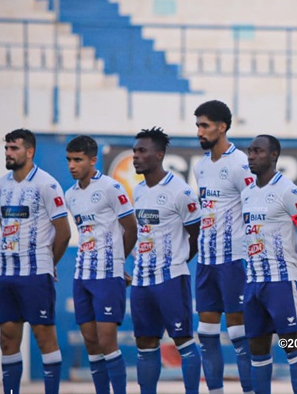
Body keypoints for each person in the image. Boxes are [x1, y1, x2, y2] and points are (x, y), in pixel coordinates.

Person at [0, 128, 71, 394]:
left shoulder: (47, 185)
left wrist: (50, 263)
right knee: (7, 338)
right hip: (4, 273)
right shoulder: (1, 185)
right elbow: (4, 224)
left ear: (30, 151)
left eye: (14, 148)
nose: (8, 153)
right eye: (6, 148)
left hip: (35, 273)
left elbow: (64, 232)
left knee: (43, 335)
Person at [242, 134, 297, 394]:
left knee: (291, 345)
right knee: (258, 349)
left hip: (282, 281)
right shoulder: (247, 193)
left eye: (258, 151)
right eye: (250, 151)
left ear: (274, 155)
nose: (251, 156)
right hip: (253, 283)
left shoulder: (289, 191)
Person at [130, 127, 202, 394]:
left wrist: (179, 261)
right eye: (135, 151)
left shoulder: (180, 191)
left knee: (183, 340)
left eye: (142, 151)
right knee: (145, 343)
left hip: (171, 279)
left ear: (159, 155)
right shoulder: (137, 191)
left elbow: (196, 234)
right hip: (141, 280)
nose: (136, 156)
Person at [65, 135, 138, 394]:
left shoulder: (111, 188)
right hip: (81, 275)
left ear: (93, 160)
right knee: (91, 342)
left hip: (108, 275)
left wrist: (119, 262)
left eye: (78, 160)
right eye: (69, 160)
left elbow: (131, 228)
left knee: (107, 341)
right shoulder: (70, 194)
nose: (72, 165)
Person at [192, 100, 255, 394]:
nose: (199, 131)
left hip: (235, 260)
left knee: (239, 333)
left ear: (222, 127)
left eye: (204, 125)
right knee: (206, 333)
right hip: (206, 261)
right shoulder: (200, 166)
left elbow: (255, 209)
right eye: (198, 126)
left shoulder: (241, 163)